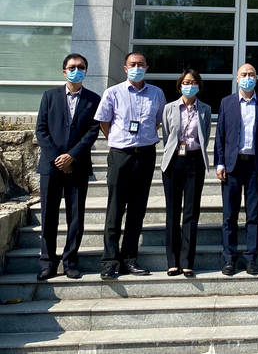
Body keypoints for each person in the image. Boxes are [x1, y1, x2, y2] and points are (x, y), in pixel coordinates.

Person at [95, 52, 166, 280]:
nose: (137, 67)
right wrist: (118, 140)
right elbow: (104, 122)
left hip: (145, 155)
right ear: (125, 68)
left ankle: (129, 260)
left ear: (147, 67)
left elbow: (158, 121)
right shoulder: (113, 92)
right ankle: (109, 261)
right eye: (132, 64)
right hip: (120, 155)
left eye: (141, 64)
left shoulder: (157, 93)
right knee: (115, 209)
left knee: (137, 210)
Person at [35, 54, 101, 280]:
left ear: (86, 71)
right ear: (64, 71)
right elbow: (41, 129)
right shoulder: (49, 96)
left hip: (77, 166)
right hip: (51, 167)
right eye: (72, 67)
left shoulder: (93, 99)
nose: (76, 70)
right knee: (48, 216)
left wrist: (71, 156)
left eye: (80, 67)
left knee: (76, 217)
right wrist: (57, 158)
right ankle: (47, 263)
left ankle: (71, 262)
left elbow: (93, 131)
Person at [214, 63, 258, 276]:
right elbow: (220, 136)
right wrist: (220, 163)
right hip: (232, 166)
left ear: (256, 78)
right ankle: (229, 258)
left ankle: (251, 258)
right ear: (237, 78)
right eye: (244, 74)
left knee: (253, 214)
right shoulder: (227, 102)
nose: (248, 77)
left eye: (251, 74)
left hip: (255, 166)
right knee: (229, 215)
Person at [161, 70, 212, 277]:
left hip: (195, 160)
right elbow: (166, 135)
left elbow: (205, 135)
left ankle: (187, 261)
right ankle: (172, 261)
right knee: (173, 211)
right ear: (179, 85)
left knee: (191, 212)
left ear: (199, 85)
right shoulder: (169, 108)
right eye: (186, 82)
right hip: (174, 160)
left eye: (193, 82)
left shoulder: (205, 109)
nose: (189, 86)